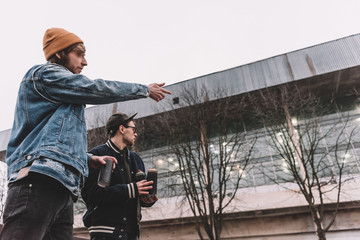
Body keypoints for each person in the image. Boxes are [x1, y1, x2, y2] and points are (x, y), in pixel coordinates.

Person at [0, 28, 170, 240]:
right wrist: (143, 89)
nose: (85, 62)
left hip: (62, 188)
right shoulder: (44, 75)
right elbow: (95, 88)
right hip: (38, 179)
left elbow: (55, 142)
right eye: (79, 55)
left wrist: (88, 159)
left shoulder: (65, 97)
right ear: (60, 53)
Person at [81, 112, 158, 240]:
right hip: (105, 232)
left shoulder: (136, 159)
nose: (136, 133)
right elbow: (90, 195)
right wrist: (131, 189)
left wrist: (146, 200)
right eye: (133, 129)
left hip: (132, 232)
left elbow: (134, 194)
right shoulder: (96, 155)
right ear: (122, 129)